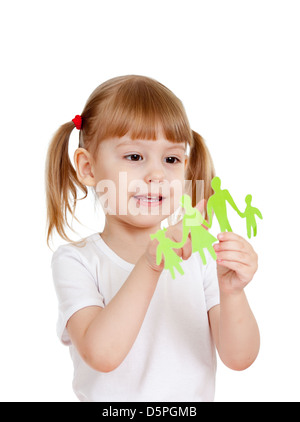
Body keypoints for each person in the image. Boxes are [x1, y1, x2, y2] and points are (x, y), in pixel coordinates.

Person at [45, 75, 260, 402]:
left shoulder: (201, 258)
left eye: (171, 159)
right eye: (134, 156)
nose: (157, 174)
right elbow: (102, 354)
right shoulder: (77, 261)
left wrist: (232, 293)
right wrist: (150, 265)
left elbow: (240, 358)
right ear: (88, 167)